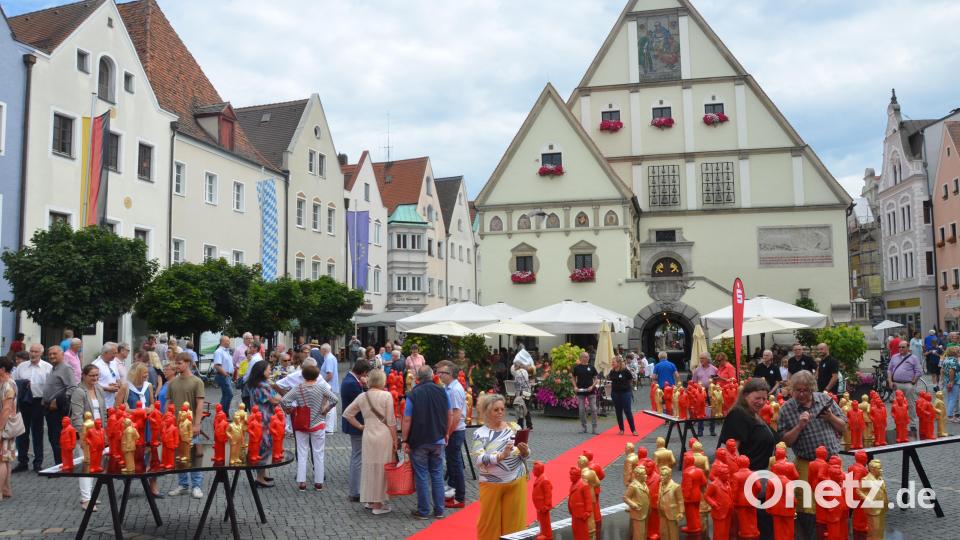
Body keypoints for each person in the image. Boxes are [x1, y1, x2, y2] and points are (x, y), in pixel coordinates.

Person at [776, 370, 846, 539]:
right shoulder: (787, 409)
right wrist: (799, 426)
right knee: (809, 508)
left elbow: (843, 426)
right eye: (797, 390)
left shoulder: (824, 400)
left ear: (812, 388)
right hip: (807, 464)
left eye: (805, 390)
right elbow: (785, 441)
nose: (801, 394)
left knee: (835, 504)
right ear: (792, 389)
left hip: (832, 463)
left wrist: (830, 417)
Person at [473, 393, 530, 539]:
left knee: (515, 526)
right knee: (488, 525)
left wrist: (525, 451)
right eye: (496, 410)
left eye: (502, 409)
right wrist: (500, 456)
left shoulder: (514, 427)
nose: (500, 413)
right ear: (486, 412)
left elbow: (524, 453)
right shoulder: (480, 433)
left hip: (516, 480)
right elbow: (479, 459)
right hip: (491, 483)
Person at [343, 368, 397, 514]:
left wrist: (360, 426)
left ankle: (370, 500)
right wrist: (395, 440)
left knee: (369, 467)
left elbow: (347, 414)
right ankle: (378, 504)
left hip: (368, 434)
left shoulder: (363, 396)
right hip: (383, 436)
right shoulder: (386, 395)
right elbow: (391, 421)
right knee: (382, 468)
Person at [401, 366, 452, 519]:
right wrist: (447, 433)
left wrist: (405, 440)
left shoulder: (413, 394)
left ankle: (423, 511)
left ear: (417, 378)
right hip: (438, 438)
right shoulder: (442, 391)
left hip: (419, 440)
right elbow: (449, 414)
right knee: (437, 474)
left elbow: (407, 419)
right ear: (432, 376)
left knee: (421, 475)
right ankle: (439, 510)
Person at [281, 361, 338, 491]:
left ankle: (302, 482)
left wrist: (288, 409)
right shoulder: (321, 387)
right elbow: (335, 399)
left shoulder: (298, 387)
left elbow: (284, 400)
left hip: (301, 424)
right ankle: (318, 482)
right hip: (318, 423)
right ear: (317, 375)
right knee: (319, 453)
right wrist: (326, 408)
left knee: (302, 453)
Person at [70, 363, 109, 511]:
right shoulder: (79, 392)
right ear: (84, 376)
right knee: (86, 465)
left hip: (98, 432)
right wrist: (81, 435)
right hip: (87, 433)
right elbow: (76, 417)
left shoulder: (99, 388)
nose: (95, 378)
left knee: (95, 464)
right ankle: (86, 499)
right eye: (92, 375)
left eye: (97, 375)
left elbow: (104, 412)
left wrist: (104, 432)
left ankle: (91, 495)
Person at [166, 353, 205, 499]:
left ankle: (196, 486)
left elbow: (200, 404)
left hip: (190, 426)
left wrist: (197, 423)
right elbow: (168, 403)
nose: (177, 365)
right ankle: (183, 485)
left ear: (188, 363)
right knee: (180, 457)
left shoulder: (197, 381)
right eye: (176, 363)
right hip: (175, 427)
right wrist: (166, 421)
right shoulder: (173, 382)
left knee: (194, 456)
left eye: (180, 362)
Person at [716, 377, 775, 471]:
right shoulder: (738, 415)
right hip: (748, 477)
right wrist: (743, 476)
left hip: (757, 475)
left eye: (764, 399)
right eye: (757, 398)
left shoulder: (753, 413)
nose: (761, 402)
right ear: (745, 395)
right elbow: (732, 451)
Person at [12, 343, 51, 473]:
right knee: (22, 433)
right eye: (31, 351)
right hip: (23, 402)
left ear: (41, 353)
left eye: (36, 352)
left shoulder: (47, 367)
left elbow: (50, 387)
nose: (33, 354)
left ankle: (38, 463)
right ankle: (22, 462)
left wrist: (46, 401)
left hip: (38, 402)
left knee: (38, 433)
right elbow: (14, 383)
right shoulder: (21, 367)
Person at [436, 360, 467, 508]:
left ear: (451, 374)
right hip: (454, 430)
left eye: (443, 373)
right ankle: (454, 494)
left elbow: (456, 415)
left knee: (455, 465)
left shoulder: (454, 390)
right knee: (452, 463)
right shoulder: (449, 387)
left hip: (455, 431)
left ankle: (460, 498)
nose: (440, 375)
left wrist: (447, 433)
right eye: (439, 372)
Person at [341, 359, 371, 503]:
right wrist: (366, 387)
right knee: (357, 457)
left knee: (357, 456)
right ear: (364, 372)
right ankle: (355, 491)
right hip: (357, 424)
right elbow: (365, 402)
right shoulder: (352, 384)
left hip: (355, 423)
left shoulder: (350, 380)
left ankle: (357, 489)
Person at [246, 361, 281, 486]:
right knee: (264, 446)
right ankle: (259, 478)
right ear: (262, 372)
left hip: (257, 418)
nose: (270, 371)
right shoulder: (263, 386)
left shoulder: (254, 384)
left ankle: (263, 473)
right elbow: (275, 400)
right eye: (268, 370)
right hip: (264, 420)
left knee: (261, 446)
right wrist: (279, 394)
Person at [41, 346, 75, 466]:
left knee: (57, 438)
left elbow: (72, 388)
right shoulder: (54, 368)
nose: (51, 356)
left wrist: (57, 400)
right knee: (52, 437)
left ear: (62, 355)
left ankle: (61, 464)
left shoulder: (66, 368)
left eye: (54, 354)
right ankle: (59, 463)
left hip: (58, 409)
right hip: (48, 407)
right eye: (50, 354)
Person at [887, 340, 922, 432]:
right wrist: (890, 381)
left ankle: (912, 424)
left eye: (903, 347)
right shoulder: (894, 357)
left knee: (911, 405)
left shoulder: (913, 358)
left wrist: (913, 382)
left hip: (908, 384)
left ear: (908, 348)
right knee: (897, 407)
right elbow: (889, 370)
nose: (901, 349)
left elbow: (919, 371)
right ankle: (899, 424)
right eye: (899, 347)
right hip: (896, 384)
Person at [0, 356, 18, 500]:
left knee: (2, 460)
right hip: (8, 425)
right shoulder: (7, 383)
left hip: (4, 426)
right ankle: (6, 489)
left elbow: (6, 409)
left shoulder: (8, 385)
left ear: (2, 369)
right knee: (6, 459)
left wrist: (0, 428)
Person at [691, 352, 719, 436]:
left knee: (712, 410)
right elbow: (693, 382)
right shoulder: (697, 370)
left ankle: (712, 430)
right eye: (700, 358)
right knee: (700, 410)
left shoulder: (714, 369)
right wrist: (698, 387)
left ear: (708, 359)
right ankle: (700, 430)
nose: (701, 360)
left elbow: (717, 381)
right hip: (700, 391)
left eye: (703, 358)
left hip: (711, 391)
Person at [609, 355, 637, 436]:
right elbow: (611, 380)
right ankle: (621, 429)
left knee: (627, 411)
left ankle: (633, 430)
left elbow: (631, 379)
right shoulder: (612, 371)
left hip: (625, 393)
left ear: (618, 363)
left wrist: (628, 387)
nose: (612, 363)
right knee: (618, 411)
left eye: (613, 362)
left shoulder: (625, 371)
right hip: (615, 393)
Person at [571, 352, 599, 434]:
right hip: (581, 391)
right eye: (585, 357)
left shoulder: (591, 367)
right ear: (581, 358)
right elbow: (573, 378)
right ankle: (584, 427)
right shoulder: (577, 368)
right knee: (581, 410)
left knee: (594, 409)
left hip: (591, 391)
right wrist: (575, 386)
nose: (587, 358)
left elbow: (596, 379)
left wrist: (592, 386)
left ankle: (594, 428)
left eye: (587, 357)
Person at [92, 343, 122, 408]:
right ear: (105, 353)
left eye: (116, 353)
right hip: (101, 403)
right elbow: (91, 384)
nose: (115, 355)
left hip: (113, 403)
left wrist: (118, 385)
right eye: (113, 353)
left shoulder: (113, 362)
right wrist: (107, 388)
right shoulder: (95, 365)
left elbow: (118, 379)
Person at [320, 344, 340, 433]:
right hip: (331, 385)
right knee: (332, 405)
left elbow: (329, 374)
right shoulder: (332, 357)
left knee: (329, 405)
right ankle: (332, 427)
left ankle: (329, 428)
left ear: (324, 350)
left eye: (321, 350)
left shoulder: (328, 359)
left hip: (329, 385)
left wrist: (322, 383)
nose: (320, 352)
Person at [212, 335, 235, 416]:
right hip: (223, 376)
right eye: (227, 341)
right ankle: (223, 413)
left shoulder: (226, 351)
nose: (229, 342)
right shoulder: (219, 351)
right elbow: (217, 365)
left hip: (226, 376)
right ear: (222, 342)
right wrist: (225, 374)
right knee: (229, 394)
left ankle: (222, 414)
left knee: (226, 395)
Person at [509, 359, 532, 430]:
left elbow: (518, 385)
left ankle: (520, 425)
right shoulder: (525, 371)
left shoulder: (517, 373)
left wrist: (517, 395)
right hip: (527, 392)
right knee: (526, 408)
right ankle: (529, 425)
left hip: (521, 392)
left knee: (520, 408)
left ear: (516, 366)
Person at [942, 346, 960, 422]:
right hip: (954, 382)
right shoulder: (954, 361)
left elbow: (942, 370)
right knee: (953, 398)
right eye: (957, 351)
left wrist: (943, 380)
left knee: (950, 398)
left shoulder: (946, 359)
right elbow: (951, 371)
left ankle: (950, 415)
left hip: (947, 380)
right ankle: (950, 416)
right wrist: (952, 381)